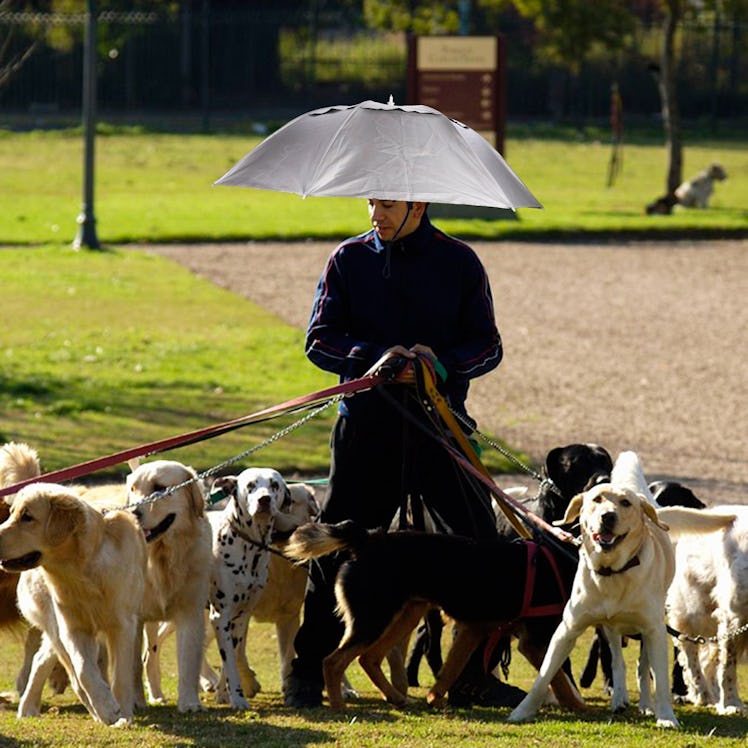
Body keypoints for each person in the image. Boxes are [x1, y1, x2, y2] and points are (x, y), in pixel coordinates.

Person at [284, 198, 525, 708]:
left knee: (482, 547)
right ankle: (308, 669)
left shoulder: (460, 261)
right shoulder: (347, 259)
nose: (376, 214)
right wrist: (372, 359)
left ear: (418, 203)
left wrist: (441, 365)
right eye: (371, 202)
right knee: (338, 548)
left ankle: (472, 675)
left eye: (388, 204)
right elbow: (318, 340)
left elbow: (488, 346)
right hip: (366, 433)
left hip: (441, 432)